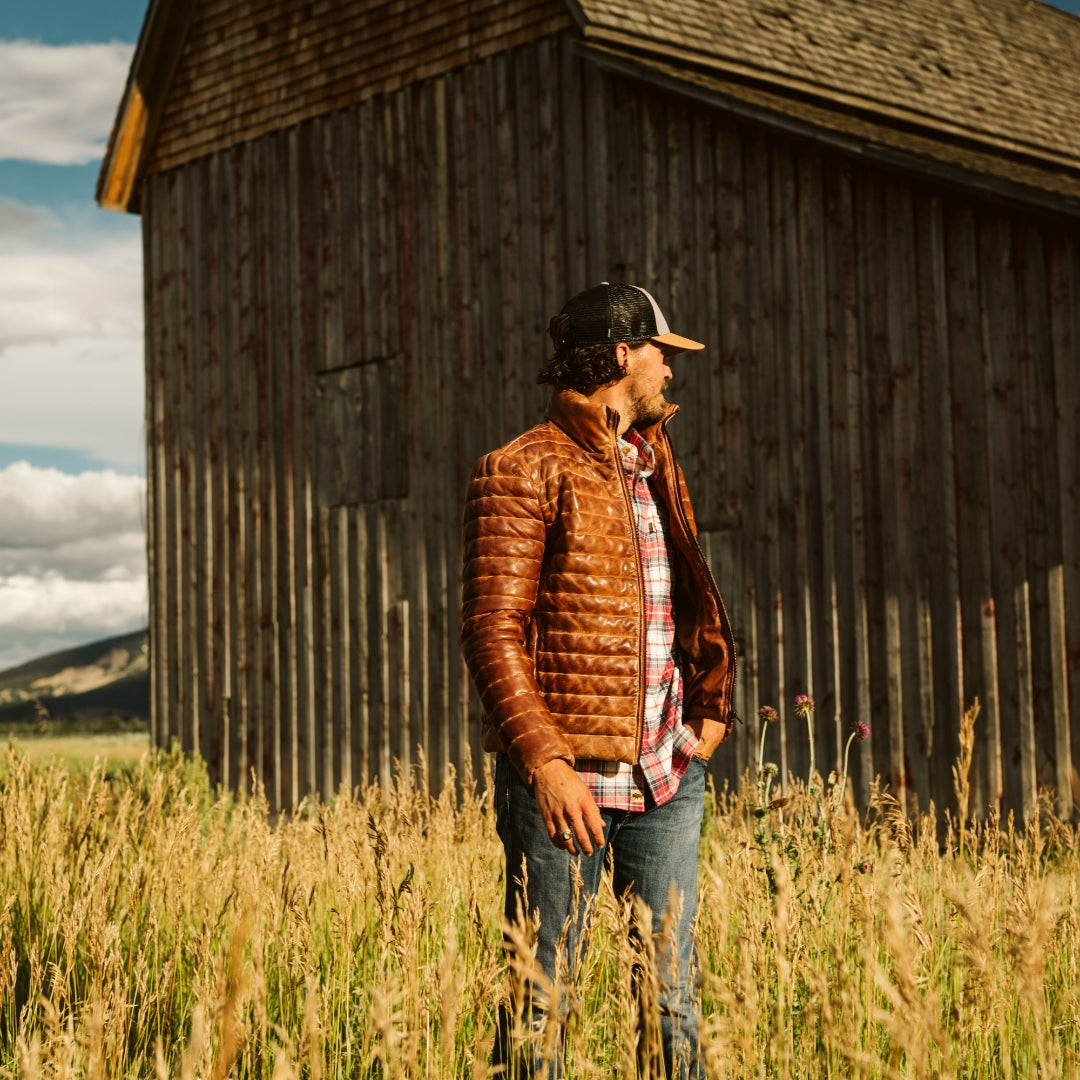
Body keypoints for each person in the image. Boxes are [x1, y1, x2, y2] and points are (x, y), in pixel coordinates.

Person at [460, 282, 737, 1078]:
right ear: (623, 354)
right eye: (661, 354)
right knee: (542, 998)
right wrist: (545, 764)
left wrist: (708, 716)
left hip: (666, 776)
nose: (669, 374)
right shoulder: (519, 469)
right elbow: (491, 631)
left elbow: (687, 596)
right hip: (567, 785)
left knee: (671, 994)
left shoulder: (652, 462)